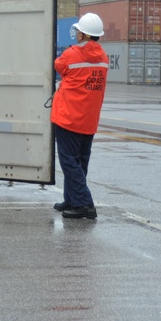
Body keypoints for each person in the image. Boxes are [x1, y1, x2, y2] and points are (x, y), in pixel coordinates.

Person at [51, 13, 108, 220]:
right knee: (80, 162)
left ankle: (84, 204)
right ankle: (72, 199)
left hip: (69, 117)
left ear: (83, 34)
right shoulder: (103, 57)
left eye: (77, 31)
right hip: (89, 119)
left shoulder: (71, 54)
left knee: (69, 162)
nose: (75, 34)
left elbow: (58, 66)